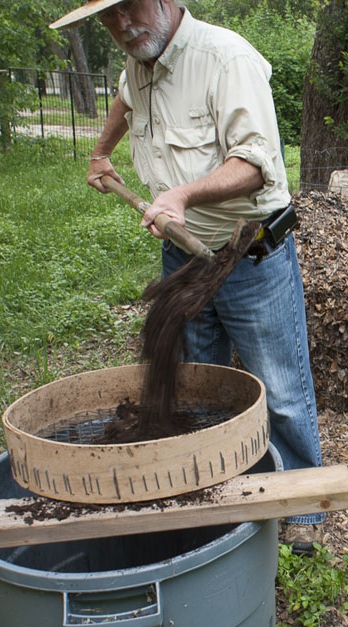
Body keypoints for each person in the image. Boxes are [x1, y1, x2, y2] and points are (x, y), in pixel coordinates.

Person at [51, 0, 325, 554]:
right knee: (195, 378)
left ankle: (301, 512)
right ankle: (210, 485)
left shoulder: (226, 60)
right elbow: (125, 102)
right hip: (186, 255)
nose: (123, 24)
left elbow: (254, 163)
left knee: (283, 388)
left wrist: (178, 194)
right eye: (109, 17)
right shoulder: (140, 62)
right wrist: (102, 151)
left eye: (129, 8)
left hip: (249, 255)